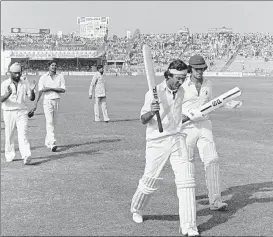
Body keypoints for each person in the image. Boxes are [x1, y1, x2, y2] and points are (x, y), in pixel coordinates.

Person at [130, 60, 199, 236]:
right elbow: (143, 120)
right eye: (178, 78)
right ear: (168, 75)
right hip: (157, 141)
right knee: (150, 179)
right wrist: (152, 111)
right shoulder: (153, 93)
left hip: (177, 138)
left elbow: (176, 116)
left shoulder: (182, 91)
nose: (181, 82)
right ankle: (136, 209)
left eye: (184, 78)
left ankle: (189, 225)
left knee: (187, 179)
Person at [180, 55, 242, 211]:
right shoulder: (182, 85)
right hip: (186, 127)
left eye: (202, 68)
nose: (200, 71)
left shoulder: (208, 84)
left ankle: (215, 201)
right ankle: (185, 195)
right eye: (196, 69)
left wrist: (230, 103)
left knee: (212, 160)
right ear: (190, 69)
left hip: (204, 125)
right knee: (186, 163)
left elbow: (212, 103)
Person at [1, 62, 36, 165]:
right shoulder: (4, 84)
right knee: (9, 134)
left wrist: (32, 90)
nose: (17, 75)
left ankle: (26, 155)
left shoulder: (25, 83)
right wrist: (8, 94)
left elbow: (31, 98)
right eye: (15, 73)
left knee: (23, 135)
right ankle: (9, 154)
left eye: (19, 73)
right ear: (10, 73)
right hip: (9, 112)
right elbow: (1, 99)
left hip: (22, 111)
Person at [30, 60, 66, 152]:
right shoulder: (43, 77)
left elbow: (63, 90)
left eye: (55, 65)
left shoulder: (60, 76)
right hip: (47, 101)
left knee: (54, 122)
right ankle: (53, 143)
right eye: (52, 65)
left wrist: (50, 88)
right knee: (49, 122)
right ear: (48, 67)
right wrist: (36, 103)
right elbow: (41, 91)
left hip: (57, 100)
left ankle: (47, 141)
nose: (54, 67)